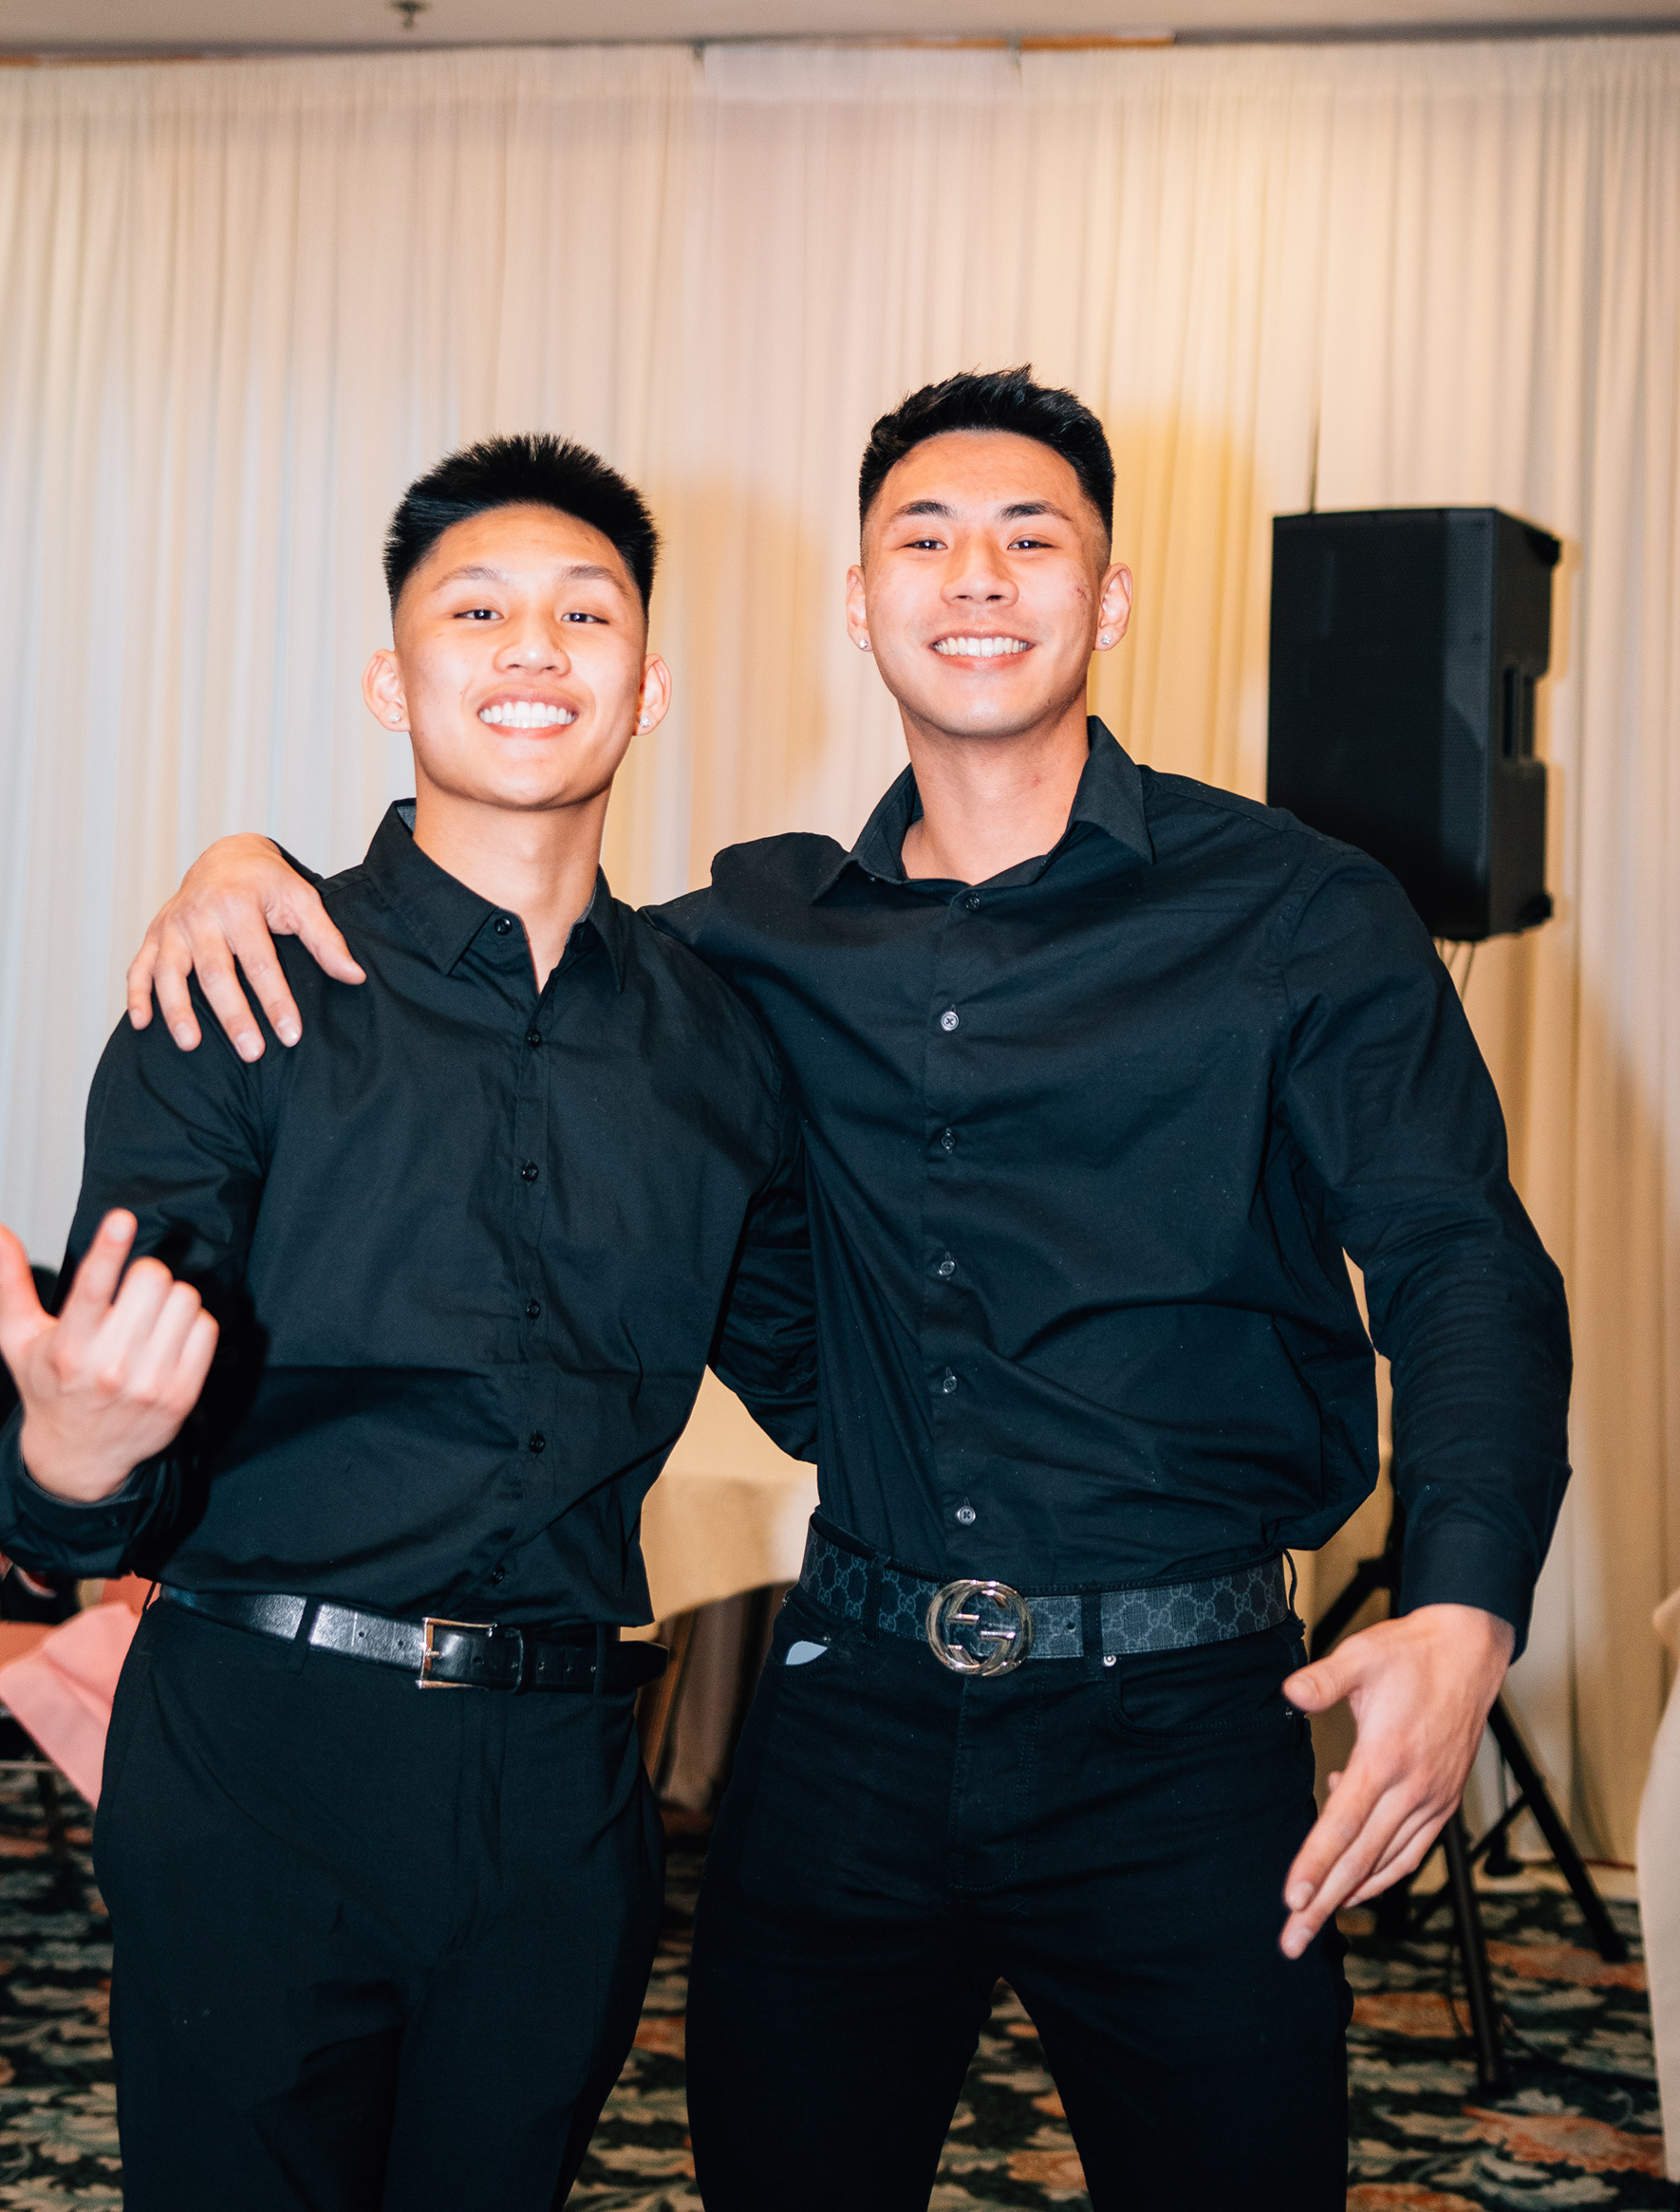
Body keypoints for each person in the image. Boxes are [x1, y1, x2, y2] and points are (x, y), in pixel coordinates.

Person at [129, 370, 1572, 2212]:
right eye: (925, 537)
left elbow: (1462, 1259)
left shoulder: (1300, 914)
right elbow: (510, 945)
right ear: (859, 601)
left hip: (1183, 1716)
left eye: (1030, 537)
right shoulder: (751, 946)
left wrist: (1465, 1605)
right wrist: (243, 867)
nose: (977, 576)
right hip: (855, 1713)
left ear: (1110, 597)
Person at [0, 433, 814, 2212]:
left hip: (567, 1780)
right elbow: (83, 1484)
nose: (534, 648)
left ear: (649, 687)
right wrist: (70, 1450)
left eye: (585, 613)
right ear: (391, 679)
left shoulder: (719, 1041)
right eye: (477, 610)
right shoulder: (239, 980)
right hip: (259, 1751)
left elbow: (837, 1375)